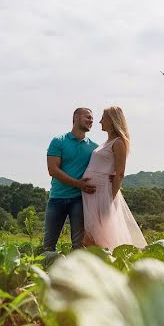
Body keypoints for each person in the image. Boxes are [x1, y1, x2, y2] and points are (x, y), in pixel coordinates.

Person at [81, 106, 146, 249]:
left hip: (103, 195)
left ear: (112, 120)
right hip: (93, 195)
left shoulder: (118, 142)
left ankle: (105, 263)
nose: (100, 121)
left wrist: (110, 198)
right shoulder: (106, 143)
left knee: (93, 237)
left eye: (103, 118)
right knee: (93, 236)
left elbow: (120, 172)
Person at [43, 108, 98, 252]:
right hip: (57, 198)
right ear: (76, 117)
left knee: (78, 247)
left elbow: (103, 169)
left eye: (92, 118)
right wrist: (78, 184)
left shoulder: (94, 148)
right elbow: (53, 170)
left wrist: (112, 175)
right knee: (48, 246)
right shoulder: (58, 141)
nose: (91, 121)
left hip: (79, 200)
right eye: (88, 117)